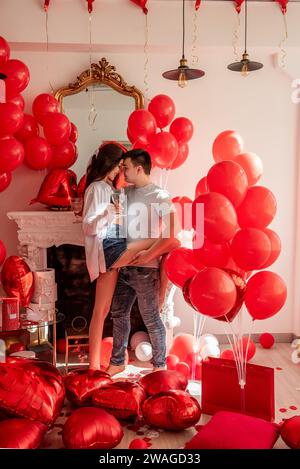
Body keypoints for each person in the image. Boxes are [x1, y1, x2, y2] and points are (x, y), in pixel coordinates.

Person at [82, 143, 179, 371]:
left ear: (138, 168)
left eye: (125, 168)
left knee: (150, 318)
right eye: (119, 167)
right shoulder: (118, 192)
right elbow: (94, 220)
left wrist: (150, 254)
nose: (122, 173)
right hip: (120, 260)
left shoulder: (159, 195)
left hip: (144, 266)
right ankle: (113, 364)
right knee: (116, 314)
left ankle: (159, 366)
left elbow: (170, 232)